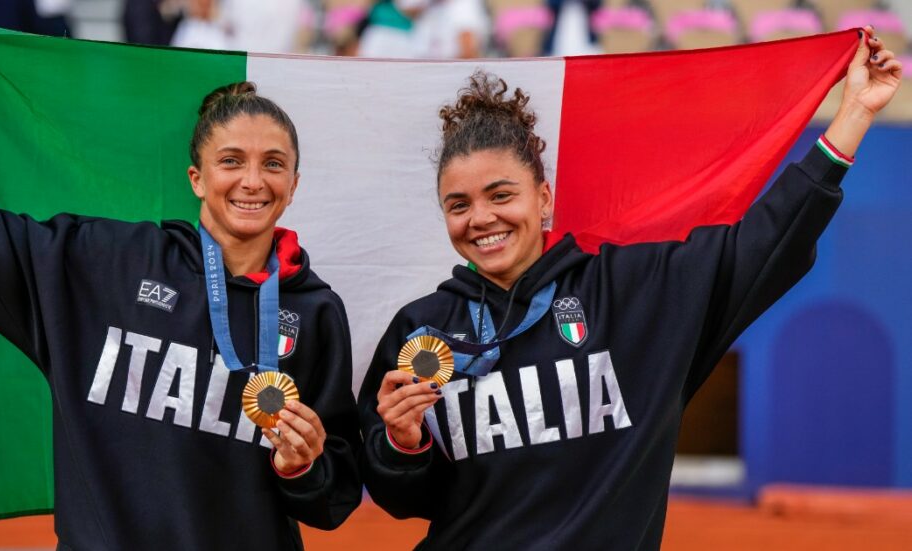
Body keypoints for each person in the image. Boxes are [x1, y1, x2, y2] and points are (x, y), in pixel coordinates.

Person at [358, 28, 902, 549]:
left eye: (501, 195)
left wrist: (854, 113)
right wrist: (405, 445)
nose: (481, 218)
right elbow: (407, 500)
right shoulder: (421, 331)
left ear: (544, 199)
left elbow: (764, 244)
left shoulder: (635, 292)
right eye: (459, 204)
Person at [0, 10, 361, 550]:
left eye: (273, 164)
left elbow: (334, 499)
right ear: (197, 179)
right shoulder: (108, 263)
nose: (253, 180)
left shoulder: (316, 311)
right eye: (232, 161)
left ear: (293, 184)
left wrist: (303, 466)